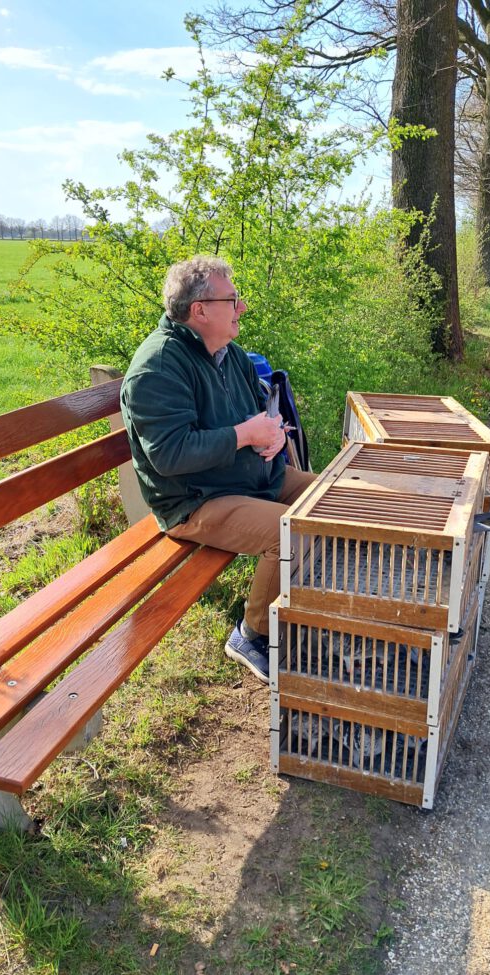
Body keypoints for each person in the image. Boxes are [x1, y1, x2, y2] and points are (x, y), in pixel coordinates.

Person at [120, 255, 316, 682]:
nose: (241, 307)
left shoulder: (230, 355)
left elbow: (259, 412)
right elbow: (169, 455)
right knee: (291, 532)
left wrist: (274, 434)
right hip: (196, 500)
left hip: (250, 477)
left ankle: (309, 607)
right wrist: (245, 435)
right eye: (233, 299)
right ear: (200, 310)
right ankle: (253, 634)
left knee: (332, 499)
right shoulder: (158, 367)